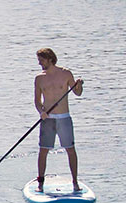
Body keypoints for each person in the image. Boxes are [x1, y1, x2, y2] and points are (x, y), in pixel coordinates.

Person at [34, 48, 84, 192]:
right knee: (43, 151)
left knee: (70, 150)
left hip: (64, 118)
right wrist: (41, 111)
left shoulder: (66, 73)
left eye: (41, 60)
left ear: (50, 59)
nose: (39, 63)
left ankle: (75, 183)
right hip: (47, 119)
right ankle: (40, 184)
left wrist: (78, 85)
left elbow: (78, 93)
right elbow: (37, 101)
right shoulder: (39, 78)